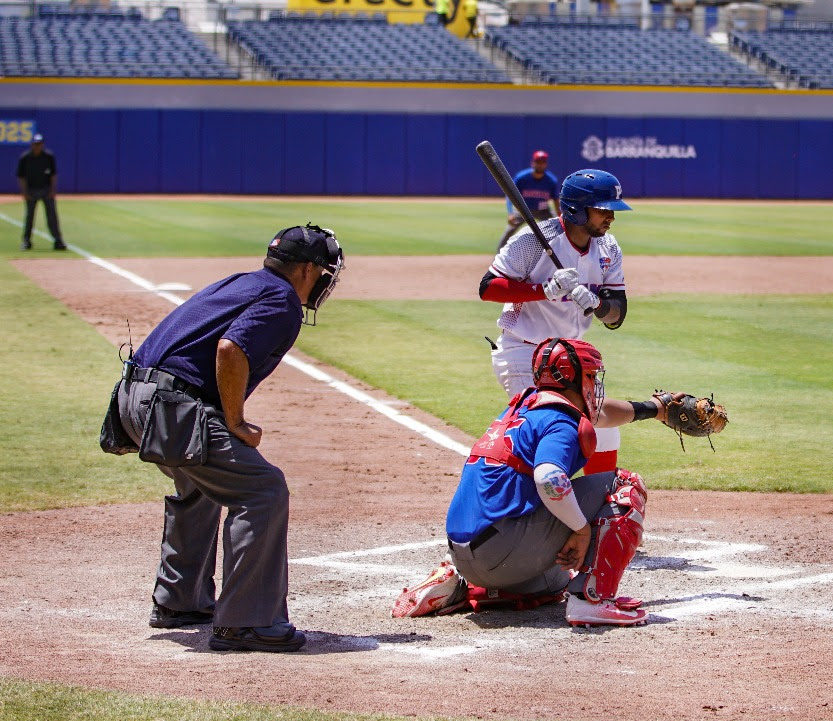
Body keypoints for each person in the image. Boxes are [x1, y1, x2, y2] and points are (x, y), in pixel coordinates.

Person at [113, 223, 343, 652]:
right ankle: (247, 622)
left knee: (200, 484)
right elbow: (229, 349)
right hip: (169, 408)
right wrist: (235, 422)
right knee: (262, 490)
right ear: (308, 270)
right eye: (325, 270)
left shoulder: (243, 282)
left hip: (133, 399)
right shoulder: (282, 300)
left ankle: (180, 600)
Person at [394, 338, 680, 627]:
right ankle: (593, 601)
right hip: (502, 548)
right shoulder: (560, 421)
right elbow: (549, 477)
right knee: (625, 485)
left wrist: (655, 408)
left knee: (557, 579)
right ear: (575, 378)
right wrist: (581, 531)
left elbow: (601, 414)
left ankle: (464, 586)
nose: (595, 385)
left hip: (466, 555)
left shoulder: (524, 407)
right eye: (591, 376)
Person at [480, 168, 629, 477]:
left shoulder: (609, 248)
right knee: (553, 430)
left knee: (603, 431)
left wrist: (598, 304)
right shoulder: (534, 241)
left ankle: (600, 510)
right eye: (603, 209)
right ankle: (536, 510)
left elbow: (616, 316)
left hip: (572, 359)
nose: (610, 218)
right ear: (576, 209)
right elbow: (488, 288)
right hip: (524, 353)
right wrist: (543, 290)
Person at [495, 150, 561, 252]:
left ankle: (559, 253)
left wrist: (559, 216)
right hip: (523, 209)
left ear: (546, 164)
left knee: (559, 229)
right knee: (509, 230)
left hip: (543, 211)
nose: (540, 164)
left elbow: (556, 200)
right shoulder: (522, 178)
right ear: (533, 163)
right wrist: (511, 213)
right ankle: (498, 255)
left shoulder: (551, 180)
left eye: (542, 162)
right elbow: (510, 195)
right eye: (538, 161)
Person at [15, 133, 65, 251]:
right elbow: (21, 176)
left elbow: (53, 174)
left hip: (46, 189)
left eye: (39, 144)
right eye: (35, 144)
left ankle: (58, 240)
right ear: (32, 144)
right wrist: (24, 192)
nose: (37, 146)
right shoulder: (25, 158)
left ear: (42, 144)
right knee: (30, 217)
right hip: (31, 190)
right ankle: (26, 241)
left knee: (52, 216)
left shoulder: (48, 157)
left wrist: (53, 190)